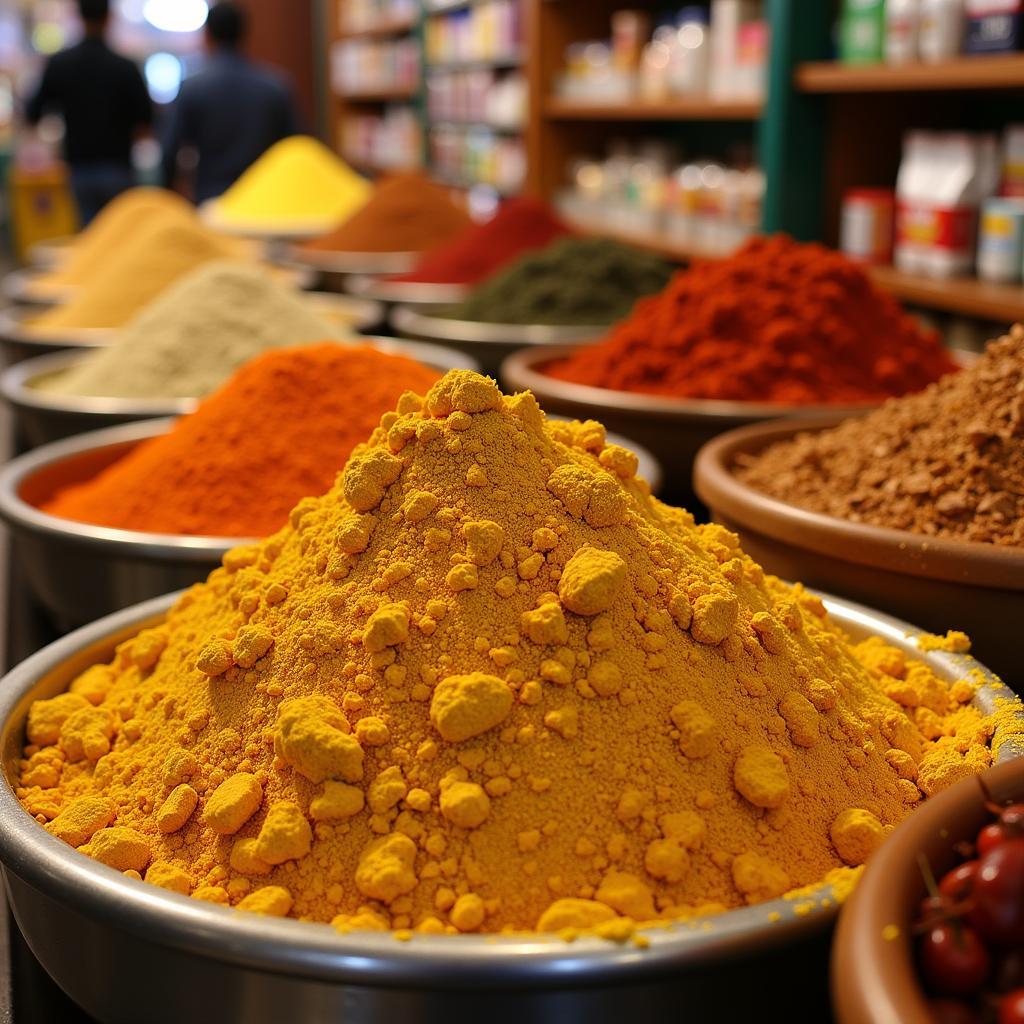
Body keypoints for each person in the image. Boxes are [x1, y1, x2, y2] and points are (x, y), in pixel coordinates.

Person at [25, 0, 152, 224]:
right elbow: (146, 121)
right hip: (118, 167)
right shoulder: (125, 67)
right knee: (120, 236)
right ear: (108, 19)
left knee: (88, 241)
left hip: (78, 167)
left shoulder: (60, 64)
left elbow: (33, 113)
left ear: (78, 17)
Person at [162, 1, 301, 204]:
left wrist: (170, 197)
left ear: (207, 35)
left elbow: (170, 152)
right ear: (244, 34)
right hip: (264, 200)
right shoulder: (276, 86)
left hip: (211, 200)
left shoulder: (192, 88)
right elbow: (296, 149)